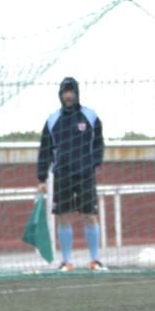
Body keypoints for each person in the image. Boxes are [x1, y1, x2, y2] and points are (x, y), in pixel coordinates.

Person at [36, 77, 106, 271]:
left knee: (89, 215)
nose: (68, 95)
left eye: (71, 91)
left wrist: (94, 163)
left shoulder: (90, 117)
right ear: (60, 95)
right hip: (62, 175)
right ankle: (66, 262)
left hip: (85, 174)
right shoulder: (52, 120)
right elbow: (45, 150)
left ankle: (95, 260)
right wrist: (41, 177)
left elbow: (99, 143)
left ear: (77, 93)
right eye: (65, 92)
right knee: (63, 216)